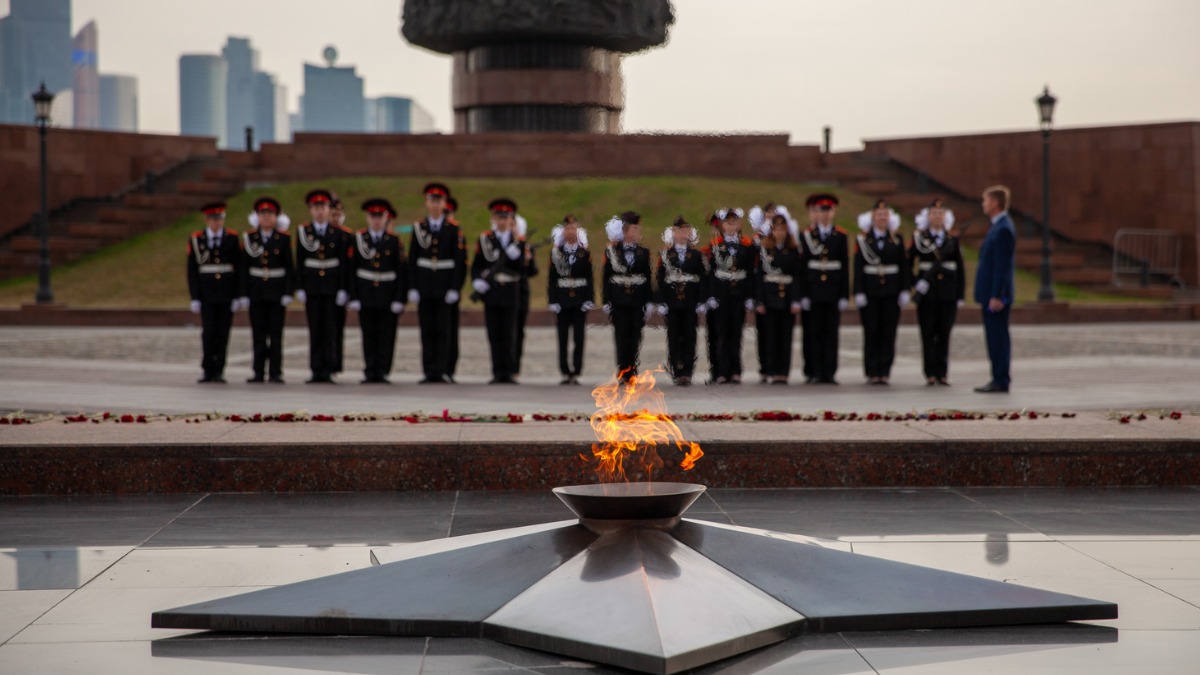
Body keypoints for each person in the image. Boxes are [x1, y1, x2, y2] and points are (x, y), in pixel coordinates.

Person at [408, 182, 467, 384]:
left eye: (439, 201)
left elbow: (459, 262)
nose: (435, 205)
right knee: (427, 329)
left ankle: (442, 369)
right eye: (431, 201)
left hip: (444, 285)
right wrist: (413, 286)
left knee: (443, 329)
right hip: (425, 285)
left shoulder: (453, 229)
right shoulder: (419, 228)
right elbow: (413, 259)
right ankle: (428, 370)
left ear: (444, 203)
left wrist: (454, 288)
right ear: (426, 203)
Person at [346, 198, 408, 384]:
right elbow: (351, 269)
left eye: (379, 217)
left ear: (385, 218)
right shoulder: (358, 239)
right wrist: (353, 295)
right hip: (365, 293)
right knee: (368, 333)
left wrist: (400, 298)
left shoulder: (394, 240)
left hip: (387, 294)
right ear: (367, 217)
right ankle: (370, 369)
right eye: (373, 216)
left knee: (386, 334)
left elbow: (402, 271)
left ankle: (382, 370)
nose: (376, 220)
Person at [294, 189, 351, 384]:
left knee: (330, 328)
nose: (320, 211)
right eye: (316, 208)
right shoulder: (304, 232)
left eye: (323, 207)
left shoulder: (339, 233)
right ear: (311, 210)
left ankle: (329, 367)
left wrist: (344, 288)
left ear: (328, 209)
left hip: (332, 286)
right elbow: (300, 261)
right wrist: (299, 287)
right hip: (312, 286)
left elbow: (344, 263)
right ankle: (316, 368)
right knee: (315, 327)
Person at [854, 200, 910, 385]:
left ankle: (885, 370)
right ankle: (871, 370)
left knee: (888, 331)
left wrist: (904, 289)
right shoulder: (863, 240)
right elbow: (858, 267)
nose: (882, 218)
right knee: (871, 331)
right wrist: (858, 291)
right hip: (870, 291)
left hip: (891, 291)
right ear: (872, 218)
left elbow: (904, 266)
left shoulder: (897, 239)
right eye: (879, 215)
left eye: (885, 215)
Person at [238, 197, 293, 384]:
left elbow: (288, 267)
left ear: (276, 217)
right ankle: (258, 371)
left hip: (276, 291)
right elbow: (243, 268)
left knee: (276, 334)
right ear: (257, 217)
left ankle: (276, 371)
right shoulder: (249, 238)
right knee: (258, 334)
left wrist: (288, 292)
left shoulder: (283, 239)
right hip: (256, 291)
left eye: (270, 214)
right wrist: (244, 294)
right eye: (263, 214)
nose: (267, 217)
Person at [910, 198, 965, 385]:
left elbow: (960, 268)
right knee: (927, 333)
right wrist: (916, 283)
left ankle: (942, 372)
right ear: (928, 217)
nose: (937, 216)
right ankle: (930, 373)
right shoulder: (919, 238)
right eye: (934, 213)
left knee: (944, 333)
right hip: (928, 294)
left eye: (941, 213)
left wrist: (960, 294)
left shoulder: (952, 239)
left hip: (947, 293)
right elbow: (908, 264)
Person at [472, 198, 526, 384]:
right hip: (492, 291)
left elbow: (524, 271)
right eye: (499, 217)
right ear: (493, 218)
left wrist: (518, 257)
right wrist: (477, 281)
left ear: (511, 219)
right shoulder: (485, 239)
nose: (502, 221)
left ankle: (509, 372)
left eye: (506, 217)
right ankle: (497, 371)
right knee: (494, 333)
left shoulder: (518, 241)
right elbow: (477, 265)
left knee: (510, 332)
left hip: (510, 290)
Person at [797, 193, 850, 384]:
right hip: (812, 291)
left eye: (828, 211)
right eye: (821, 210)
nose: (825, 215)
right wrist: (802, 294)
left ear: (833, 212)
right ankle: (812, 370)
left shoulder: (841, 235)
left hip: (833, 291)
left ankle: (829, 371)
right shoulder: (806, 236)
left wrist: (845, 294)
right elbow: (801, 268)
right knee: (812, 332)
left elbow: (844, 266)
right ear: (816, 213)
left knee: (831, 333)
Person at [187, 202, 242, 383]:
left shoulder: (232, 238)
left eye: (219, 219)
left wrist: (237, 295)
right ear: (207, 220)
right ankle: (207, 368)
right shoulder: (197, 239)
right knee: (208, 332)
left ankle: (219, 369)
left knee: (223, 332)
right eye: (213, 219)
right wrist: (194, 297)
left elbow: (238, 269)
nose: (216, 223)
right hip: (206, 293)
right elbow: (193, 271)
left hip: (226, 292)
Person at [655, 215, 709, 386]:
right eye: (679, 231)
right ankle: (676, 370)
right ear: (673, 233)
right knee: (673, 335)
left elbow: (703, 278)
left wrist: (702, 301)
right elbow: (660, 279)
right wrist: (661, 301)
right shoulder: (665, 255)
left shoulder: (696, 255)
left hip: (690, 300)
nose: (682, 234)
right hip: (672, 301)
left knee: (689, 335)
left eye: (686, 231)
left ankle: (687, 370)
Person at [706, 208, 757, 384]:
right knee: (721, 332)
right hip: (721, 294)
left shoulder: (746, 246)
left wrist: (750, 296)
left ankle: (736, 370)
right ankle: (721, 371)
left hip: (739, 293)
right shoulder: (715, 246)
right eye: (728, 222)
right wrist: (711, 295)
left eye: (734, 222)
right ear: (722, 225)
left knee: (736, 332)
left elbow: (750, 272)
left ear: (739, 224)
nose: (731, 225)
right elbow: (711, 273)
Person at [974, 185, 1016, 393]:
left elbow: (1002, 266)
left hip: (996, 296)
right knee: (993, 337)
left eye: (985, 200)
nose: (983, 204)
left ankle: (1001, 379)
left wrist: (997, 295)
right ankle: (997, 377)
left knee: (998, 337)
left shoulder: (1003, 229)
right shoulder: (997, 226)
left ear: (995, 203)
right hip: (991, 294)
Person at [603, 211, 653, 382]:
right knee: (621, 335)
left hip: (637, 300)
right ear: (625, 230)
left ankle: (632, 369)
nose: (638, 231)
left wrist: (649, 301)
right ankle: (623, 369)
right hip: (619, 299)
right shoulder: (612, 251)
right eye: (635, 228)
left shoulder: (643, 252)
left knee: (635, 336)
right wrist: (606, 301)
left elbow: (647, 278)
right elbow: (607, 277)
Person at [754, 213, 802, 384]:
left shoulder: (793, 249)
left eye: (782, 229)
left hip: (787, 297)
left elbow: (797, 276)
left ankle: (783, 371)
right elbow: (759, 276)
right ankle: (769, 369)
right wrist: (759, 300)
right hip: (769, 297)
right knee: (769, 336)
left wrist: (796, 299)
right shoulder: (765, 249)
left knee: (785, 336)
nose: (779, 232)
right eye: (776, 229)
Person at [547, 215, 595, 385]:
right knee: (562, 337)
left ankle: (576, 370)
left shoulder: (585, 253)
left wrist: (589, 298)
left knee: (579, 337)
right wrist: (552, 300)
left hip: (579, 299)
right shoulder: (556, 253)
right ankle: (565, 371)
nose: (571, 232)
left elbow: (589, 278)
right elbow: (552, 279)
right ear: (563, 231)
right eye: (568, 229)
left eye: (573, 228)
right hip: (562, 299)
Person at [513, 212, 539, 377]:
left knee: (518, 330)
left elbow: (533, 271)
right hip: (502, 292)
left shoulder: (526, 247)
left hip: (520, 291)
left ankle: (515, 367)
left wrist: (528, 261)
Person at [329, 196, 349, 376]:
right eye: (332, 214)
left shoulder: (346, 235)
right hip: (322, 287)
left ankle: (335, 364)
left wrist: (346, 289)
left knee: (336, 328)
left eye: (338, 214)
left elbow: (348, 265)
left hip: (339, 288)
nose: (335, 217)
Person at [444, 195, 462, 382]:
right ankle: (432, 369)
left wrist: (455, 287)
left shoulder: (456, 232)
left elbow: (460, 263)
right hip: (432, 288)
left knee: (450, 330)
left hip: (450, 288)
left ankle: (449, 368)